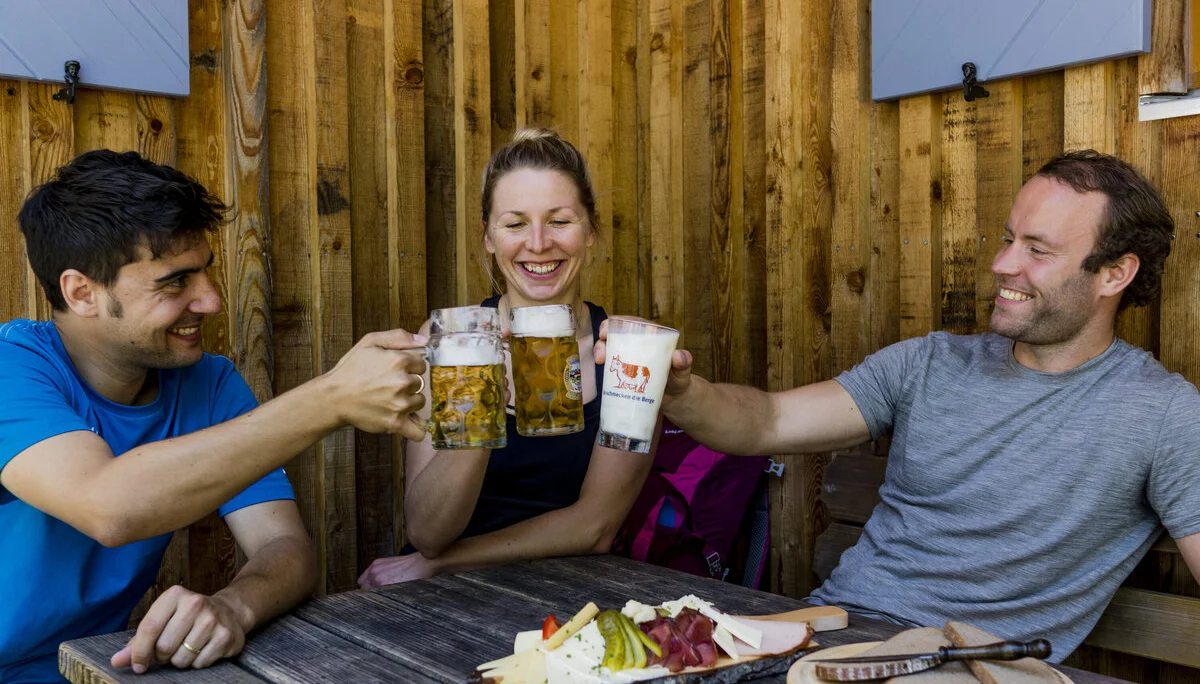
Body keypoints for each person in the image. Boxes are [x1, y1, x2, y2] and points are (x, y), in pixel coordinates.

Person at [597, 150, 1200, 660]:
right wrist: (680, 391)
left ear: (1115, 273)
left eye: (1036, 250)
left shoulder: (1162, 414)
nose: (1002, 264)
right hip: (826, 639)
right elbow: (767, 422)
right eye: (1008, 238)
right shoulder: (929, 363)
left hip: (968, 665)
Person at [0, 150, 428, 683]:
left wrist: (235, 606)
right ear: (82, 292)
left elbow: (285, 548)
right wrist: (330, 399)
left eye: (207, 272)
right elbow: (108, 506)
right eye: (176, 282)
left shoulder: (210, 380)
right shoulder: (10, 368)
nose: (211, 300)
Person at [358, 128, 654, 588]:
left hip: (570, 588)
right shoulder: (449, 342)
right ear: (490, 238)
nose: (537, 243)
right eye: (515, 224)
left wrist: (443, 563)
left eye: (559, 221)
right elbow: (428, 532)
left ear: (591, 231)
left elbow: (596, 527)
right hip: (441, 594)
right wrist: (482, 393)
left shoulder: (624, 353)